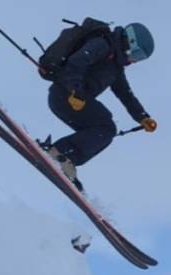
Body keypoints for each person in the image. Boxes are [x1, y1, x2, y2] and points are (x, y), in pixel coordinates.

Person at [44, 22, 157, 188]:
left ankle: (65, 157)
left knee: (103, 129)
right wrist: (76, 91)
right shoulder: (103, 44)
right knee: (105, 125)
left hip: (74, 100)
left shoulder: (116, 68)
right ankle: (60, 153)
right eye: (137, 54)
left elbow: (126, 95)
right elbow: (76, 63)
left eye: (139, 59)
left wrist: (142, 117)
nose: (134, 60)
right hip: (65, 95)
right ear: (129, 42)